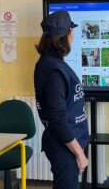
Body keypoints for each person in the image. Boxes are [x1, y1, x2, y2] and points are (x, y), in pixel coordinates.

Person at [34, 11, 89, 189]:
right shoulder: (54, 71)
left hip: (65, 143)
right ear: (65, 37)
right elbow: (58, 119)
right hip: (64, 145)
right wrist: (79, 153)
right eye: (71, 31)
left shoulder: (50, 62)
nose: (73, 35)